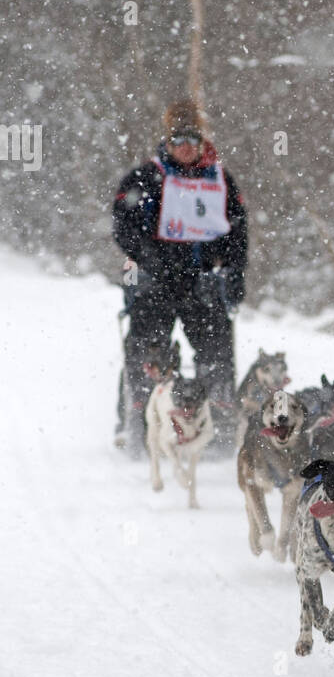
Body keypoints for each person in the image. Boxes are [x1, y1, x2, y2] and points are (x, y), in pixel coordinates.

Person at [113, 100, 247, 455]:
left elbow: (238, 231)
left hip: (202, 282)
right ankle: (137, 427)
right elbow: (122, 222)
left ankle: (217, 431)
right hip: (155, 283)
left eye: (191, 140)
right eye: (178, 140)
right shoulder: (146, 177)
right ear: (167, 143)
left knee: (216, 355)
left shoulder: (220, 180)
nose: (185, 147)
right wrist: (144, 254)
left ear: (201, 142)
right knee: (147, 354)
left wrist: (233, 272)